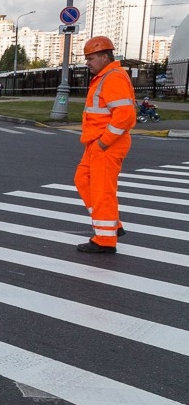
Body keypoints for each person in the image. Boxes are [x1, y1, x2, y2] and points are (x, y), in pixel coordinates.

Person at [74, 36, 136, 254]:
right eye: (87, 58)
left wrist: (103, 143)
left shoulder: (113, 77)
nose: (88, 62)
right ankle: (112, 224)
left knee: (102, 192)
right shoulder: (104, 77)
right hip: (97, 142)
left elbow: (125, 116)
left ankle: (105, 240)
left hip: (107, 143)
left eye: (91, 58)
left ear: (104, 56)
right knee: (82, 180)